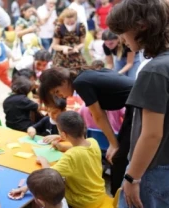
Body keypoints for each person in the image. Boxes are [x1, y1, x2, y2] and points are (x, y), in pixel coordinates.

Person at [107, 0, 169, 208]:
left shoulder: (154, 71)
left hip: (152, 168)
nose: (122, 39)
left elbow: (151, 134)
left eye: (123, 32)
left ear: (141, 26)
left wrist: (132, 176)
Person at [39, 67, 134, 196]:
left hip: (139, 105)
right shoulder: (84, 75)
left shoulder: (80, 83)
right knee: (118, 157)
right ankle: (117, 197)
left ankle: (118, 201)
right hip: (133, 105)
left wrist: (114, 144)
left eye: (57, 91)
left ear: (64, 81)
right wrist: (114, 143)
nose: (59, 96)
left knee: (118, 158)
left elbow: (98, 115)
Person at [11, 111, 105, 208]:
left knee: (49, 190)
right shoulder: (93, 142)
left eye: (59, 131)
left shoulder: (71, 156)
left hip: (84, 201)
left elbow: (49, 177)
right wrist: (61, 146)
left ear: (63, 134)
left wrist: (44, 162)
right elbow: (80, 151)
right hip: (98, 193)